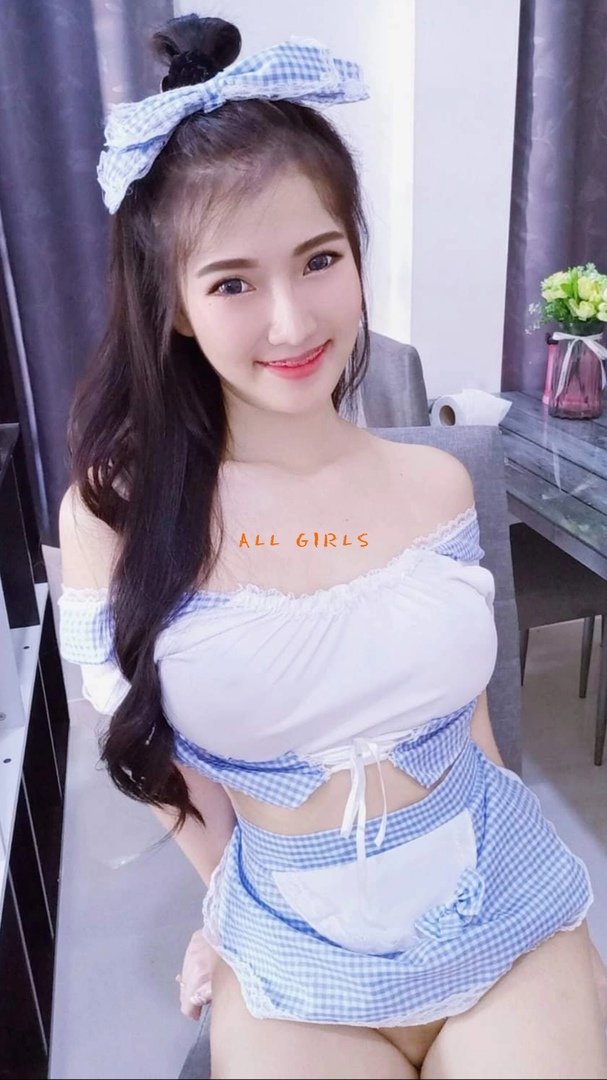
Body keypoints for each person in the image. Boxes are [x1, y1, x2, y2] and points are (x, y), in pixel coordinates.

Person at [57, 13, 607, 1079]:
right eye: (232, 282)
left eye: (319, 260)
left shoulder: (437, 483)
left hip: (498, 903)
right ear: (175, 306)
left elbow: (470, 727)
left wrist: (566, 947)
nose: (291, 321)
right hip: (292, 939)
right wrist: (224, 903)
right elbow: (154, 757)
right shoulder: (118, 519)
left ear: (357, 256)